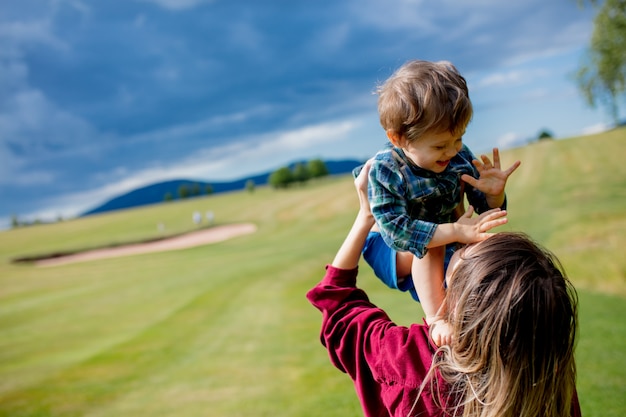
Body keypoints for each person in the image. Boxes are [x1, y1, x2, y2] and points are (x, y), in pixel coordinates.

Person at [307, 161, 580, 417]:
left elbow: (338, 307)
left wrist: (366, 215)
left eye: (461, 252)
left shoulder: (411, 362)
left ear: (456, 301)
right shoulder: (548, 373)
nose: (460, 243)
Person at [355, 60, 520, 344]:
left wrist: (492, 196)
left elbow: (480, 215)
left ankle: (472, 318)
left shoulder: (457, 154)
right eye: (440, 146)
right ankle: (437, 320)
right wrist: (456, 231)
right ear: (399, 138)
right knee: (435, 243)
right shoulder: (386, 168)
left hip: (443, 234)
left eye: (458, 140)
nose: (452, 151)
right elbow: (398, 232)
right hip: (389, 245)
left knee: (481, 251)